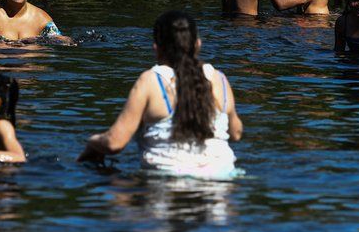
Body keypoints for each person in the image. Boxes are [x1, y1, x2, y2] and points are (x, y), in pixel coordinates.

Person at [78, 11, 243, 180]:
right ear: (198, 44)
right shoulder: (219, 79)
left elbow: (114, 143)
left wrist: (92, 142)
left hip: (165, 184)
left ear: (156, 48)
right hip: (222, 181)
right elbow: (236, 133)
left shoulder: (150, 80)